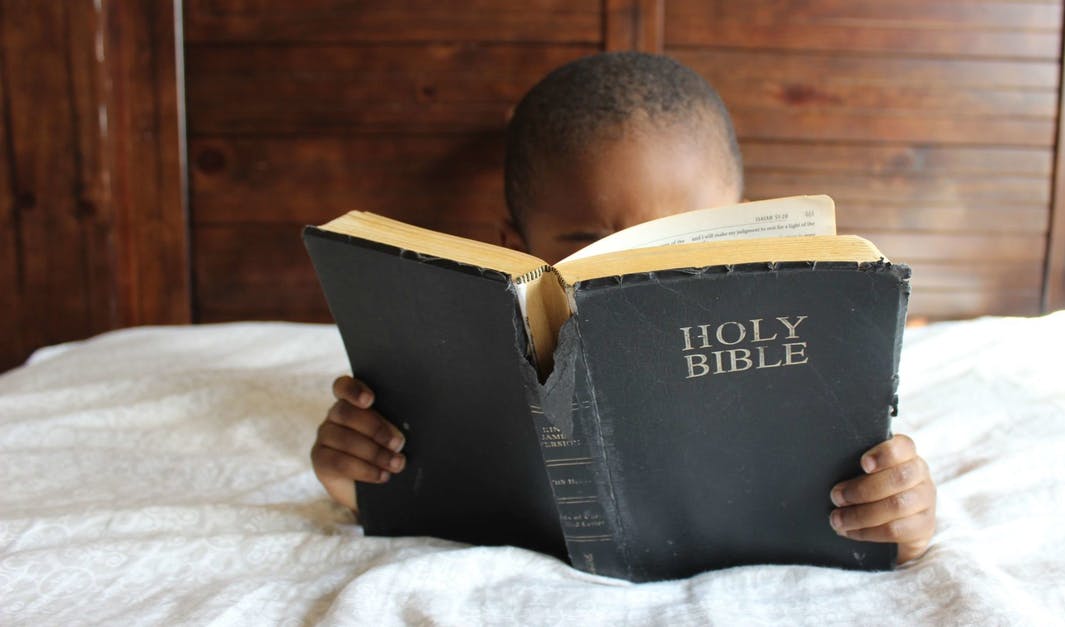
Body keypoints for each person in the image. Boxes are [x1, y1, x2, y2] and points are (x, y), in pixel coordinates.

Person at [311, 52, 937, 564]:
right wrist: (361, 478)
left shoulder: (801, 358)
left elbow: (881, 511)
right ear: (514, 247)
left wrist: (898, 517)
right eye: (593, 249)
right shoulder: (465, 366)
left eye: (687, 240)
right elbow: (412, 486)